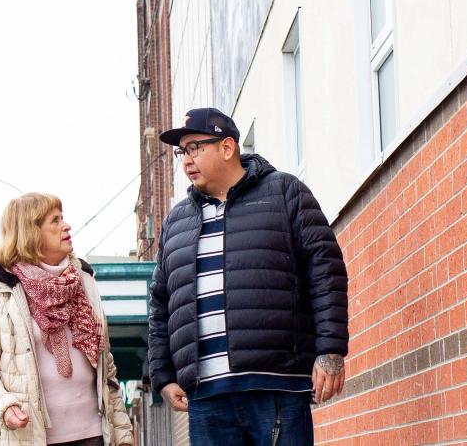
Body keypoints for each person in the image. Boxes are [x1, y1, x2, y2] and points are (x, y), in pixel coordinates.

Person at [148, 108, 349, 445]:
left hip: (275, 385)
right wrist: (164, 376)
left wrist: (330, 351)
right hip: (206, 397)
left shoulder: (286, 193)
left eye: (195, 147)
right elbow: (160, 304)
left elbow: (326, 272)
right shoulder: (176, 222)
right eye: (183, 152)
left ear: (227, 147)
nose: (186, 160)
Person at [0, 193, 133, 446]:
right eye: (54, 221)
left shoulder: (83, 280)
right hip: (27, 437)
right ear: (31, 232)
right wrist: (3, 406)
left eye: (62, 218)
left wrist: (123, 435)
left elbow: (106, 369)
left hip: (91, 435)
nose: (66, 226)